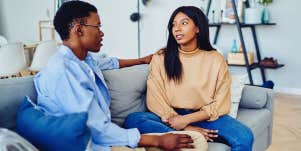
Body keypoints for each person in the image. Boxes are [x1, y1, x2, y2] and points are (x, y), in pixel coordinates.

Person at [34, 1, 195, 151]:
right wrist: (158, 140)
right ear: (79, 30)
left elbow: (110, 63)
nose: (101, 33)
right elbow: (97, 128)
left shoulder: (84, 60)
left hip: (105, 137)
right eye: (97, 26)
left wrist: (142, 60)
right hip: (88, 144)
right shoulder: (63, 72)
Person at [124, 6, 254, 151]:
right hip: (168, 118)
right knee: (134, 119)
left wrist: (186, 120)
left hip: (203, 117)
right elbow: (155, 99)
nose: (177, 29)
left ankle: (183, 138)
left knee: (244, 136)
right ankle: (189, 137)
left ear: (198, 28)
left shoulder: (215, 59)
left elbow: (221, 103)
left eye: (184, 23)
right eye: (174, 24)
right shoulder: (161, 57)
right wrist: (184, 125)